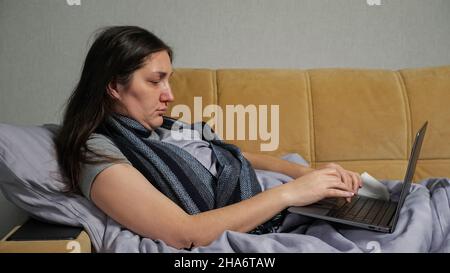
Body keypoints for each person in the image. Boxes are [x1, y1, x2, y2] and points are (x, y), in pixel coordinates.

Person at [55, 26, 362, 250]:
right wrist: (292, 193)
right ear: (113, 86)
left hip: (279, 195)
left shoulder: (164, 126)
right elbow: (184, 233)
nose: (170, 96)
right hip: (273, 212)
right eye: (155, 81)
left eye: (168, 80)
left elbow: (238, 155)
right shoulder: (95, 150)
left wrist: (307, 174)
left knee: (394, 202)